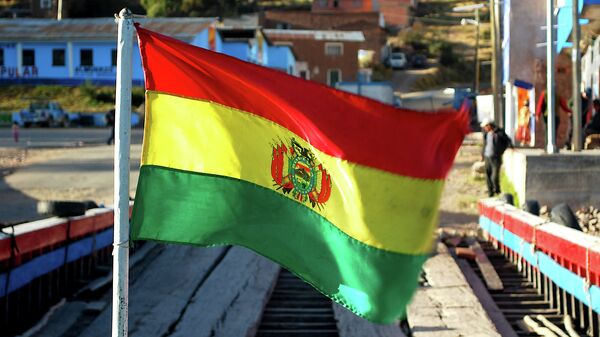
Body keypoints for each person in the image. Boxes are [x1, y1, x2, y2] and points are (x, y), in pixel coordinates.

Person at [481, 118, 512, 197]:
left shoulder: (499, 132)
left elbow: (507, 141)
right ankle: (490, 192)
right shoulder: (486, 134)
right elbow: (485, 145)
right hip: (487, 157)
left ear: (489, 125)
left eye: (485, 126)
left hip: (496, 157)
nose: (485, 128)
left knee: (494, 176)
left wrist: (503, 150)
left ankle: (497, 191)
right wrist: (482, 155)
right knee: (488, 175)